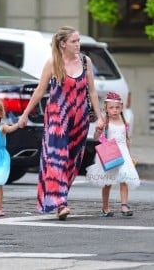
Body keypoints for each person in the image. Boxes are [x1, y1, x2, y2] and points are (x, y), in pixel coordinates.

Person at [18, 26, 104, 220]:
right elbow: (40, 91)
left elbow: (91, 91)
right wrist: (25, 114)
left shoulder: (85, 61)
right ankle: (60, 204)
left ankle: (59, 196)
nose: (78, 44)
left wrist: (99, 118)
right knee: (57, 157)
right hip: (57, 116)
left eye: (78, 40)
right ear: (63, 44)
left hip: (79, 117)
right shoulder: (53, 62)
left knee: (73, 160)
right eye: (74, 41)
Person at [86, 92, 140, 217]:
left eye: (117, 107)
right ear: (106, 109)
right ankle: (105, 207)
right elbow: (96, 138)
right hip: (109, 153)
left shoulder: (125, 122)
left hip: (123, 152)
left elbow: (126, 139)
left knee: (124, 178)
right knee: (107, 181)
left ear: (121, 108)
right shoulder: (105, 121)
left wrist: (129, 155)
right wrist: (98, 131)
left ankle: (124, 206)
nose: (114, 110)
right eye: (111, 107)